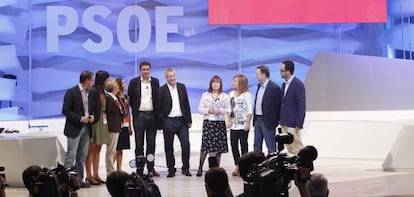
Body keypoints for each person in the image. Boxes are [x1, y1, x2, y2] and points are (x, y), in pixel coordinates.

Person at [157, 67, 192, 177]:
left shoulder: (181, 87)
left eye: (173, 76)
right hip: (169, 121)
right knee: (169, 146)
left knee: (186, 144)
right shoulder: (161, 90)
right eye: (170, 76)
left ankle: (185, 168)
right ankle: (171, 169)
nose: (172, 78)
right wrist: (163, 120)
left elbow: (186, 103)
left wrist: (189, 120)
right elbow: (158, 107)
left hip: (182, 121)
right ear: (166, 77)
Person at [62, 70, 95, 187]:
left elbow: (91, 108)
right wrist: (80, 118)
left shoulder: (89, 93)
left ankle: (79, 180)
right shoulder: (72, 92)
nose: (93, 82)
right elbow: (65, 110)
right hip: (74, 127)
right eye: (92, 80)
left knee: (82, 156)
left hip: (86, 127)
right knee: (71, 155)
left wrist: (91, 117)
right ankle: (67, 181)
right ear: (86, 80)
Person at [128, 61, 160, 177]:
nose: (145, 71)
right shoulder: (133, 82)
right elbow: (130, 100)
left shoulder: (155, 82)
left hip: (152, 116)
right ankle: (140, 168)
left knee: (151, 144)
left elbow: (157, 98)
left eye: (147, 69)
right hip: (139, 116)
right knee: (139, 144)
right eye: (143, 69)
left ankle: (151, 168)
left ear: (150, 70)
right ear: (140, 70)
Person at [197, 76, 229, 177]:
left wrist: (220, 111)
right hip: (208, 123)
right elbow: (200, 109)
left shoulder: (225, 96)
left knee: (218, 148)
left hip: (219, 123)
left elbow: (228, 109)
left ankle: (216, 169)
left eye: (218, 82)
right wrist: (208, 110)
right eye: (214, 82)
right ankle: (200, 168)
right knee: (206, 147)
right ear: (211, 84)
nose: (215, 84)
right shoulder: (205, 95)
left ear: (220, 84)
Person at [85, 70, 110, 185]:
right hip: (95, 121)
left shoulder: (103, 91)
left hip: (103, 120)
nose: (108, 81)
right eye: (107, 79)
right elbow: (90, 107)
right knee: (91, 149)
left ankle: (96, 174)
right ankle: (89, 175)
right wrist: (92, 119)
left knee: (98, 148)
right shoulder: (93, 91)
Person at [227, 74, 252, 176]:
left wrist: (248, 123)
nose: (233, 83)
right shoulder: (231, 94)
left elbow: (250, 110)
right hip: (234, 125)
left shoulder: (247, 95)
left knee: (243, 145)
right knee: (233, 146)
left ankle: (244, 166)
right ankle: (237, 165)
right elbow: (230, 109)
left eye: (235, 81)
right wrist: (228, 120)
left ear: (241, 83)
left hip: (243, 125)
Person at [253, 65, 282, 153]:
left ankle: (272, 165)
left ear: (264, 74)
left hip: (268, 121)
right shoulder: (259, 86)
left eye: (257, 74)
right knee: (257, 145)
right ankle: (257, 165)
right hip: (257, 119)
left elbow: (278, 105)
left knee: (270, 145)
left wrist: (278, 121)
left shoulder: (274, 88)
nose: (256, 75)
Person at [280, 60, 305, 155]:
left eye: (282, 70)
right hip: (284, 121)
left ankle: (303, 168)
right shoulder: (284, 85)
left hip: (293, 123)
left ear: (288, 71)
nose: (281, 72)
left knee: (297, 147)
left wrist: (299, 123)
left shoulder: (298, 84)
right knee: (289, 147)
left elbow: (301, 105)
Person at [114, 78, 133, 171]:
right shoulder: (114, 98)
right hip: (117, 125)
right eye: (123, 83)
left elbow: (128, 112)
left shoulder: (126, 97)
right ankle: (110, 168)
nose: (125, 85)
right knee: (115, 149)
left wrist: (130, 126)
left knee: (121, 149)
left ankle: (119, 169)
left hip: (125, 125)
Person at [105, 79, 123, 175]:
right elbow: (108, 113)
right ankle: (110, 171)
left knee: (113, 150)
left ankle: (111, 170)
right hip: (112, 127)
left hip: (116, 126)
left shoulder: (115, 98)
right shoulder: (109, 98)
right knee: (111, 151)